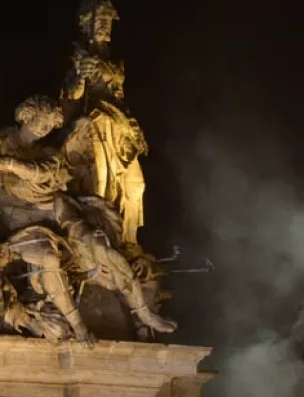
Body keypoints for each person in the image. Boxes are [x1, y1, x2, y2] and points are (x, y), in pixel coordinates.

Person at [0, 95, 176, 345]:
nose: (43, 129)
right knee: (49, 257)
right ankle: (79, 326)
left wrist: (8, 164)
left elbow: (43, 172)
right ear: (26, 116)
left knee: (102, 246)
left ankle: (143, 312)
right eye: (40, 122)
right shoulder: (4, 140)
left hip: (56, 212)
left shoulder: (49, 152)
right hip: (21, 226)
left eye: (49, 126)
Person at [60, 0, 147, 246]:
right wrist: (79, 77)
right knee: (100, 183)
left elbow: (119, 98)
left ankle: (129, 243)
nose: (104, 25)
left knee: (135, 186)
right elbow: (70, 97)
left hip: (120, 129)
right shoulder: (79, 57)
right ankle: (99, 239)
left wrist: (131, 123)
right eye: (99, 20)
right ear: (85, 24)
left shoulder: (114, 63)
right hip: (96, 126)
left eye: (108, 21)